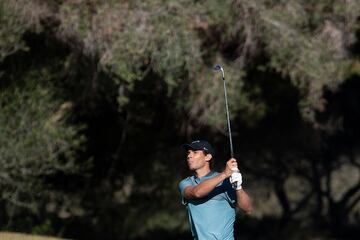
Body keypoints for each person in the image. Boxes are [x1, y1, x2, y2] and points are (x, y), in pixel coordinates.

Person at [178, 140, 252, 240]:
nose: (189, 156)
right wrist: (225, 174)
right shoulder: (186, 183)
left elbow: (247, 209)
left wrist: (239, 187)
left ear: (208, 157)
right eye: (188, 153)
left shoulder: (226, 182)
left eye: (195, 152)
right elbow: (197, 193)